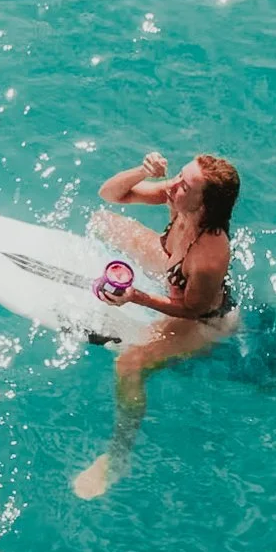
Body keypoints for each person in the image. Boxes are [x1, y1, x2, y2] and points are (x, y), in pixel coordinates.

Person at [72, 152, 242, 499]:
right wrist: (142, 171)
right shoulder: (179, 197)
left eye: (185, 185)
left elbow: (192, 310)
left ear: (205, 203)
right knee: (102, 219)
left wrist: (136, 298)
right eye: (179, 176)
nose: (174, 185)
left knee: (129, 365)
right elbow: (110, 194)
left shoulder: (210, 256)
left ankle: (119, 458)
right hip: (172, 270)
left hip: (206, 321)